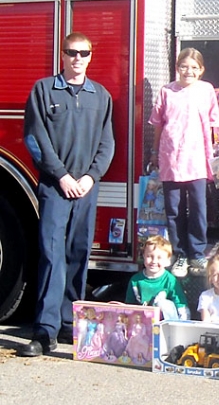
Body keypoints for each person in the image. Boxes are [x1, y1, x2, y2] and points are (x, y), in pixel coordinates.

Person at [19, 32, 115, 357]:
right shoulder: (44, 90)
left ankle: (69, 326)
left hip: (86, 189)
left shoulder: (100, 96)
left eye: (83, 53)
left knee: (78, 255)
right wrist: (61, 176)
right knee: (51, 255)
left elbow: (107, 143)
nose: (77, 58)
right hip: (55, 188)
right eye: (71, 52)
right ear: (62, 55)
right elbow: (35, 138)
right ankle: (44, 332)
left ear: (91, 56)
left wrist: (90, 177)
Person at [149, 47, 219, 277]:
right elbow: (158, 124)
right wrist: (154, 152)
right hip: (171, 159)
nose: (188, 71)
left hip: (198, 159)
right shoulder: (166, 91)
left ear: (201, 70)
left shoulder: (207, 90)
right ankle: (179, 254)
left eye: (193, 67)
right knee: (174, 210)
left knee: (199, 208)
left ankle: (197, 254)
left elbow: (214, 125)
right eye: (183, 66)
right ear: (177, 68)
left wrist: (217, 155)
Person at [125, 235, 189, 320]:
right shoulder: (135, 280)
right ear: (143, 256)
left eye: (159, 258)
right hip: (142, 321)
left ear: (168, 260)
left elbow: (181, 305)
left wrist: (182, 325)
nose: (154, 261)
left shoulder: (170, 280)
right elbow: (128, 306)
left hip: (165, 322)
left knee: (163, 303)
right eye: (149, 256)